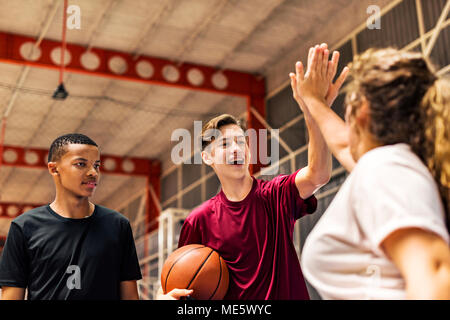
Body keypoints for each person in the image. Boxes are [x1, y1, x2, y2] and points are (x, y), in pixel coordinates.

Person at [158, 59, 348, 299]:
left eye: (241, 142)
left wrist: (315, 112)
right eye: (225, 144)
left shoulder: (275, 194)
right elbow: (179, 280)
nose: (236, 149)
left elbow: (318, 174)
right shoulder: (199, 221)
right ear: (207, 157)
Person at [289, 44, 450, 299]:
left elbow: (436, 274)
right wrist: (313, 101)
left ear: (361, 111)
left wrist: (312, 99)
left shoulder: (386, 166)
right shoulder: (395, 167)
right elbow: (344, 145)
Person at [0, 133, 142, 300]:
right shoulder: (24, 227)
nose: (93, 173)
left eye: (96, 165)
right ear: (54, 169)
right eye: (81, 164)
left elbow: (130, 297)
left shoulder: (118, 225)